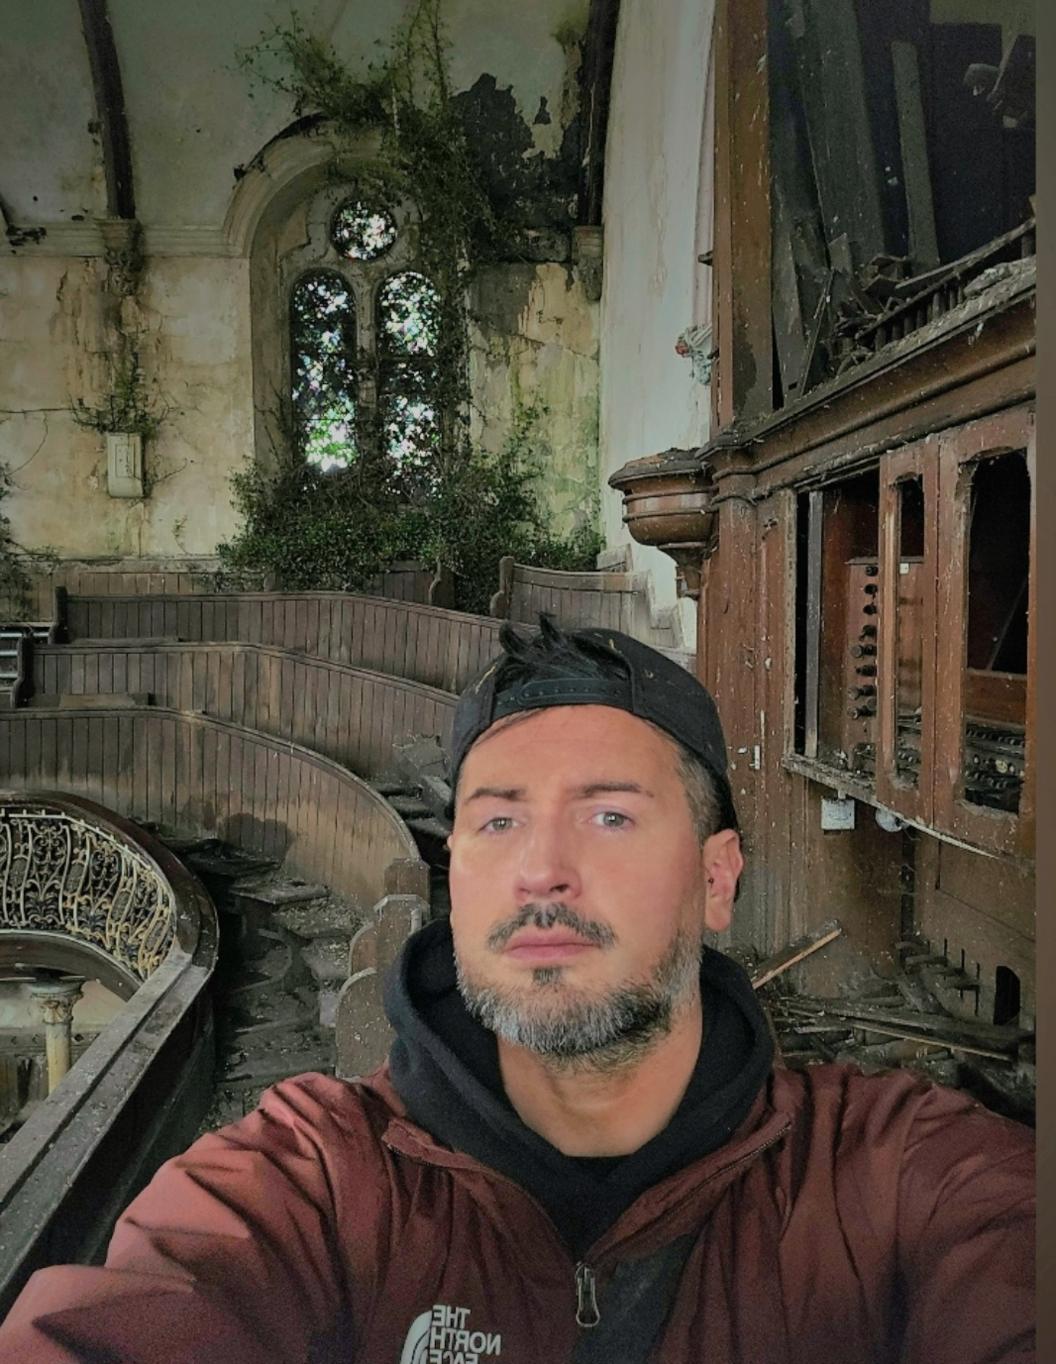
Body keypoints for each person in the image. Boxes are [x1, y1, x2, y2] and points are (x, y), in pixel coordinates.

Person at [0, 618, 1034, 1363]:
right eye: (497, 819)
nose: (542, 866)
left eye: (611, 815)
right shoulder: (312, 1177)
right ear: (453, 876)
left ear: (718, 878)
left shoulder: (893, 1173)